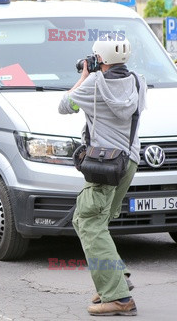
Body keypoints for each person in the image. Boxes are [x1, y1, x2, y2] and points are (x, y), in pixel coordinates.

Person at [58, 35, 146, 316]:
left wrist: (84, 75)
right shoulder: (137, 81)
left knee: (88, 221)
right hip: (128, 162)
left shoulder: (94, 84)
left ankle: (119, 297)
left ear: (101, 59)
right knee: (96, 221)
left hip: (104, 165)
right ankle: (117, 278)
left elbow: (64, 105)